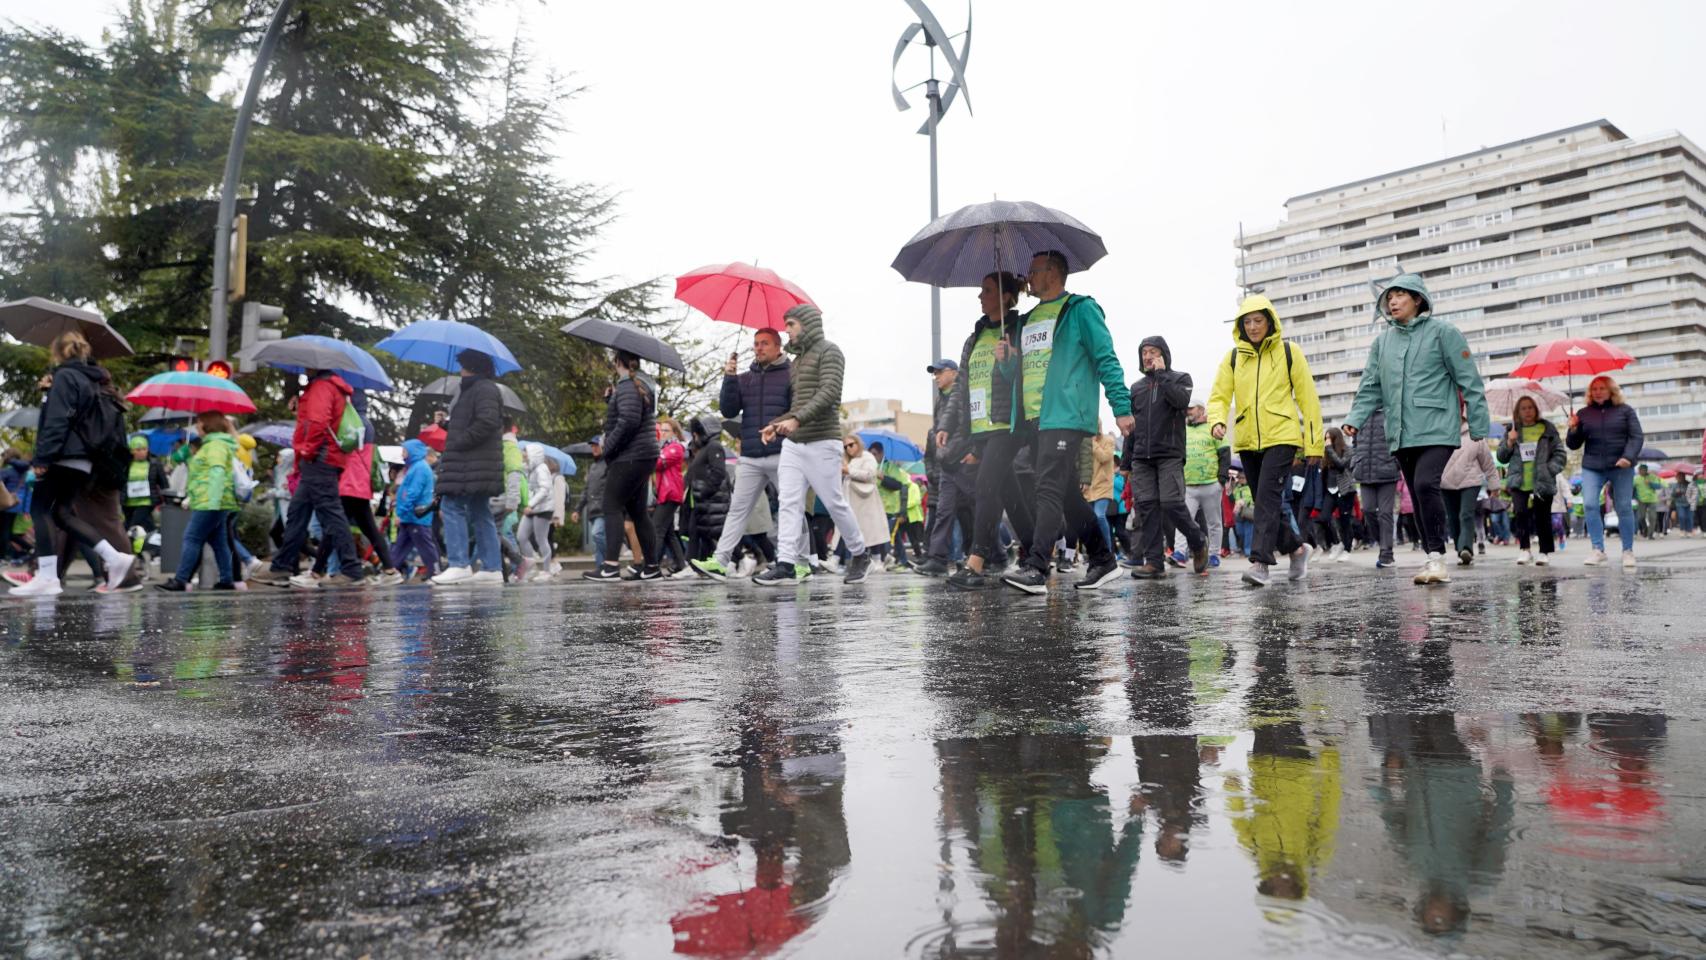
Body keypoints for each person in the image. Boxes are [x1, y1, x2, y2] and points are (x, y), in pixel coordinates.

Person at [1343, 274, 1490, 587]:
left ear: (1418, 299)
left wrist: (1478, 423)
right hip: (1399, 431)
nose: (1393, 302)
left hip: (1437, 425)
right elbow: (1371, 385)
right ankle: (1431, 556)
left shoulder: (1443, 333)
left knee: (1425, 485)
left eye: (1400, 295)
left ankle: (1437, 557)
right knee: (1418, 493)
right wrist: (1355, 417)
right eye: (1389, 298)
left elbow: (1470, 380)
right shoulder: (1382, 342)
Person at [1000, 251, 1134, 594]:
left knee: (1046, 486)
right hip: (1034, 419)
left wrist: (1121, 406)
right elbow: (1018, 374)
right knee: (1067, 496)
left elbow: (1106, 357)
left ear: (1054, 273)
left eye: (1034, 270)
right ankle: (1103, 560)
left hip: (1066, 414)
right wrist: (1005, 362)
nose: (1028, 275)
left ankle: (1037, 566)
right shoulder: (1027, 320)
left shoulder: (1080, 309)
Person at [1206, 294, 1324, 588]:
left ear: (1270, 321)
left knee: (1268, 499)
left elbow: (1308, 398)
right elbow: (1219, 396)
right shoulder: (1234, 358)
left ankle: (1260, 563)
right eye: (1247, 322)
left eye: (1258, 320)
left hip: (1282, 436)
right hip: (1247, 439)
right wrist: (1217, 421)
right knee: (1264, 501)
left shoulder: (1288, 352)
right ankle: (1297, 549)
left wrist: (1313, 444)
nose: (1253, 327)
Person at [754, 304, 872, 585]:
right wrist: (776, 424)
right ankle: (786, 564)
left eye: (791, 325)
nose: (787, 330)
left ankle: (860, 553)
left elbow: (829, 393)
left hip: (823, 440)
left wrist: (796, 420)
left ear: (807, 325)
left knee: (833, 501)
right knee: (789, 501)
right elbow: (798, 406)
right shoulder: (796, 363)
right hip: (795, 444)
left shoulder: (830, 351)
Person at [10, 332, 135, 597]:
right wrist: (49, 393)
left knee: (40, 509)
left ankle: (47, 577)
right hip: (83, 459)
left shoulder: (65, 377)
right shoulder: (91, 379)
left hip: (63, 455)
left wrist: (43, 458)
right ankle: (115, 558)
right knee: (62, 514)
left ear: (58, 352)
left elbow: (58, 421)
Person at [947, 271, 1034, 591]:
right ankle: (1037, 552)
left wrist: (1010, 360)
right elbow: (962, 385)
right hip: (980, 426)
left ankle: (977, 561)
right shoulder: (976, 336)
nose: (980, 296)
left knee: (986, 486)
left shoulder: (1019, 328)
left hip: (1007, 424)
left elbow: (1025, 376)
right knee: (1010, 494)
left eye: (986, 290)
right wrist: (948, 425)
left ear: (1007, 296)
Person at [690, 329, 792, 582]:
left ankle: (800, 562)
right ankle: (721, 561)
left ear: (778, 347)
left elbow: (796, 411)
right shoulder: (746, 378)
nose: (758, 348)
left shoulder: (791, 375)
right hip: (750, 454)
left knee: (792, 507)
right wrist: (729, 377)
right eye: (756, 344)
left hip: (782, 452)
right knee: (738, 510)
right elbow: (728, 408)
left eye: (765, 344)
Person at [251, 368, 365, 588]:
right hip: (322, 458)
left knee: (330, 512)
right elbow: (316, 421)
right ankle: (282, 566)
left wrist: (305, 452)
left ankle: (351, 568)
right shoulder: (326, 387)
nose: (303, 368)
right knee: (298, 511)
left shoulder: (322, 387)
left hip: (319, 459)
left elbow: (317, 423)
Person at [1122, 336, 1207, 578]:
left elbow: (1181, 401)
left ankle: (1198, 540)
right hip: (1141, 458)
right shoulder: (1136, 388)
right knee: (1146, 508)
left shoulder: (1180, 379)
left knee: (1171, 504)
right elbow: (1131, 427)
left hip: (1169, 453)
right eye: (1144, 352)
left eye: (1153, 352)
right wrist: (1126, 463)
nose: (1148, 356)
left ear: (1164, 356)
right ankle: (1154, 562)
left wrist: (1162, 375)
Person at [427, 350, 506, 585]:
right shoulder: (474, 389)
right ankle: (492, 567)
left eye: (462, 365)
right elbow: (475, 421)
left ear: (472, 366)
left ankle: (459, 564)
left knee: (452, 506)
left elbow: (487, 421)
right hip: (474, 463)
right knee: (480, 511)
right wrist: (448, 424)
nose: (460, 370)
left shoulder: (483, 389)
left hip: (470, 463)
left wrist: (459, 441)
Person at [584, 350, 664, 582]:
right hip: (643, 455)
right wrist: (612, 400)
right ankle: (651, 567)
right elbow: (632, 414)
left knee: (611, 505)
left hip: (631, 455)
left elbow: (628, 421)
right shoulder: (640, 385)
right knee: (638, 511)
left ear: (618, 362)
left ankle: (610, 566)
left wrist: (608, 446)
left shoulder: (629, 385)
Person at [156, 412, 240, 591]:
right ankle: (226, 579)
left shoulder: (215, 445)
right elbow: (203, 471)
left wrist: (213, 501)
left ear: (207, 424)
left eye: (199, 423)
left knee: (191, 538)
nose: (197, 427)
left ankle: (181, 579)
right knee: (219, 542)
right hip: (212, 500)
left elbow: (217, 471)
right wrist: (187, 456)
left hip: (210, 501)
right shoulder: (212, 444)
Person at [1566, 375, 1642, 568]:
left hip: (1620, 465)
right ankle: (1598, 549)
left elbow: (1636, 436)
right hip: (1593, 466)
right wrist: (1573, 429)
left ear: (1611, 391)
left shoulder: (1625, 411)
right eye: (1594, 389)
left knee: (1623, 507)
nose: (1597, 392)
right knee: (1590, 505)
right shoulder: (1583, 413)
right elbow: (1573, 445)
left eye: (1602, 388)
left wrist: (1628, 457)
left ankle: (1628, 551)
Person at [1496, 396, 1566, 566]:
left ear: (1536, 409)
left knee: (1542, 516)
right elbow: (1502, 457)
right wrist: (1510, 441)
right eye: (1523, 408)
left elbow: (1560, 454)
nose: (1527, 411)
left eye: (1530, 407)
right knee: (1520, 514)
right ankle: (1525, 549)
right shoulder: (1512, 430)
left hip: (1542, 480)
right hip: (1519, 480)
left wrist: (1549, 469)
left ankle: (1544, 552)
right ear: (1517, 412)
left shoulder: (1547, 428)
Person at [919, 358, 964, 573]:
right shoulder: (940, 399)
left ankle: (997, 556)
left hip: (964, 461)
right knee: (944, 513)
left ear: (954, 372)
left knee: (971, 513)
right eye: (934, 373)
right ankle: (937, 560)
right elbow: (937, 437)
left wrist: (970, 452)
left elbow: (965, 428)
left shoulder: (963, 393)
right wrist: (934, 468)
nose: (935, 377)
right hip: (948, 464)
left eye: (939, 372)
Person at [1179, 399, 1230, 570]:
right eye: (1187, 409)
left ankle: (1214, 555)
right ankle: (1180, 552)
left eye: (1191, 409)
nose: (1188, 411)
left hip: (1211, 484)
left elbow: (1225, 453)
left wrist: (1221, 481)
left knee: (1214, 522)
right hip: (1189, 486)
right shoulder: (1183, 429)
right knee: (1183, 519)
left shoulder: (1213, 428)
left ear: (1201, 410)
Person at [1439, 419, 1498, 566]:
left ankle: (1466, 549)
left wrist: (1494, 485)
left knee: (1466, 514)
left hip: (1471, 482)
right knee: (1452, 518)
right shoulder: (1439, 433)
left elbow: (1488, 463)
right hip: (1446, 482)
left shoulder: (1475, 435)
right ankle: (1461, 550)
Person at [683, 414, 729, 565]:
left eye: (697, 432)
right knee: (698, 532)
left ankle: (742, 558)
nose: (694, 436)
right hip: (700, 499)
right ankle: (693, 564)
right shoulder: (704, 449)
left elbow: (719, 472)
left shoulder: (714, 447)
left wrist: (706, 492)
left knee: (716, 532)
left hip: (711, 499)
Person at [392, 438, 439, 581]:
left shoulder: (419, 468)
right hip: (412, 516)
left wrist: (402, 512)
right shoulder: (416, 467)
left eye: (404, 451)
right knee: (400, 546)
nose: (402, 454)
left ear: (412, 451)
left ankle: (435, 572)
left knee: (424, 546)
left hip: (416, 516)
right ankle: (390, 571)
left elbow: (413, 492)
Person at [842, 434, 891, 565]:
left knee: (871, 531)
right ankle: (840, 560)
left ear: (858, 443)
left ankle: (877, 560)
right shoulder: (848, 460)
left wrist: (849, 471)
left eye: (851, 444)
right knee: (854, 530)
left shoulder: (867, 456)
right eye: (845, 446)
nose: (848, 448)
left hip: (866, 499)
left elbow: (869, 475)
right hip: (852, 500)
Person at [652, 418, 688, 573]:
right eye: (661, 430)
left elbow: (657, 463)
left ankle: (651, 565)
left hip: (670, 493)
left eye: (666, 430)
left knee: (656, 530)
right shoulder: (664, 447)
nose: (662, 433)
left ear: (674, 432)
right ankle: (682, 566)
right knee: (668, 534)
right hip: (665, 493)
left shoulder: (676, 447)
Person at [121, 435, 168, 556]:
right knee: (146, 527)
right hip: (128, 502)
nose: (141, 452)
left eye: (144, 449)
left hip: (146, 502)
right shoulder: (125, 464)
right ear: (132, 451)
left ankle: (133, 553)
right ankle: (149, 552)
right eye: (138, 449)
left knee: (132, 528)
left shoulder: (154, 463)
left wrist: (167, 500)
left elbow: (163, 483)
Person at [518, 443, 558, 581]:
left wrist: (530, 504)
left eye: (525, 452)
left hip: (543, 508)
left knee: (541, 539)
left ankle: (547, 571)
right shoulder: (529, 469)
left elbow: (544, 489)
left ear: (533, 454)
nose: (523, 454)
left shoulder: (542, 468)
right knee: (521, 537)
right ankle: (532, 567)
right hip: (532, 509)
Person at [572, 436, 608, 569]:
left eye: (596, 445)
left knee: (597, 534)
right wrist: (577, 509)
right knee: (597, 542)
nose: (594, 448)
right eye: (592, 446)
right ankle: (601, 568)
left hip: (604, 509)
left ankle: (610, 560)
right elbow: (586, 491)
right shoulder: (593, 467)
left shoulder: (609, 464)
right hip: (593, 510)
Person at [1, 448, 29, 564]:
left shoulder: (6, 470)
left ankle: (2, 557)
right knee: (8, 531)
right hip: (17, 503)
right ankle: (29, 548)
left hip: (5, 503)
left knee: (4, 531)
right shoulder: (23, 471)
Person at [1633, 464, 1660, 540]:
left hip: (1652, 500)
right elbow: (1632, 488)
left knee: (1652, 517)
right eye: (1640, 470)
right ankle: (1645, 529)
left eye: (1644, 470)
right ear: (1638, 471)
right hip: (1641, 500)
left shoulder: (1652, 477)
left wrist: (1651, 484)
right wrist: (1635, 497)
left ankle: (1650, 534)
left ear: (1646, 470)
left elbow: (1658, 486)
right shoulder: (1636, 479)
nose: (1642, 471)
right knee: (1641, 517)